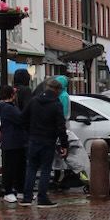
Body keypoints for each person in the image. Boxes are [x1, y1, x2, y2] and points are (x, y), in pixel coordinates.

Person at [20, 76, 68, 207]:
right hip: (48, 140)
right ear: (57, 90)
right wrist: (64, 144)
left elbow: (22, 118)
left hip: (33, 139)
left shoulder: (34, 101)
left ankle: (27, 198)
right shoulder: (56, 104)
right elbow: (61, 126)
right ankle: (42, 198)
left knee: (31, 168)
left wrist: (30, 132)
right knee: (46, 169)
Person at [0, 83, 28, 203]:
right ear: (11, 94)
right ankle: (8, 191)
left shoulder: (8, 107)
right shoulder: (8, 108)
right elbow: (21, 119)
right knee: (10, 167)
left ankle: (20, 190)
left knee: (19, 167)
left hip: (15, 141)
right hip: (12, 142)